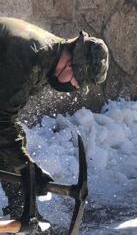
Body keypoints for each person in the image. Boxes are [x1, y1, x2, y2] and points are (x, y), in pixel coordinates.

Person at [0, 17, 109, 219]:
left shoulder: (49, 59)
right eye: (78, 80)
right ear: (71, 63)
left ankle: (23, 212)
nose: (75, 87)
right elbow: (1, 122)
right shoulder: (32, 56)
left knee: (12, 143)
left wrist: (26, 170)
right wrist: (28, 168)